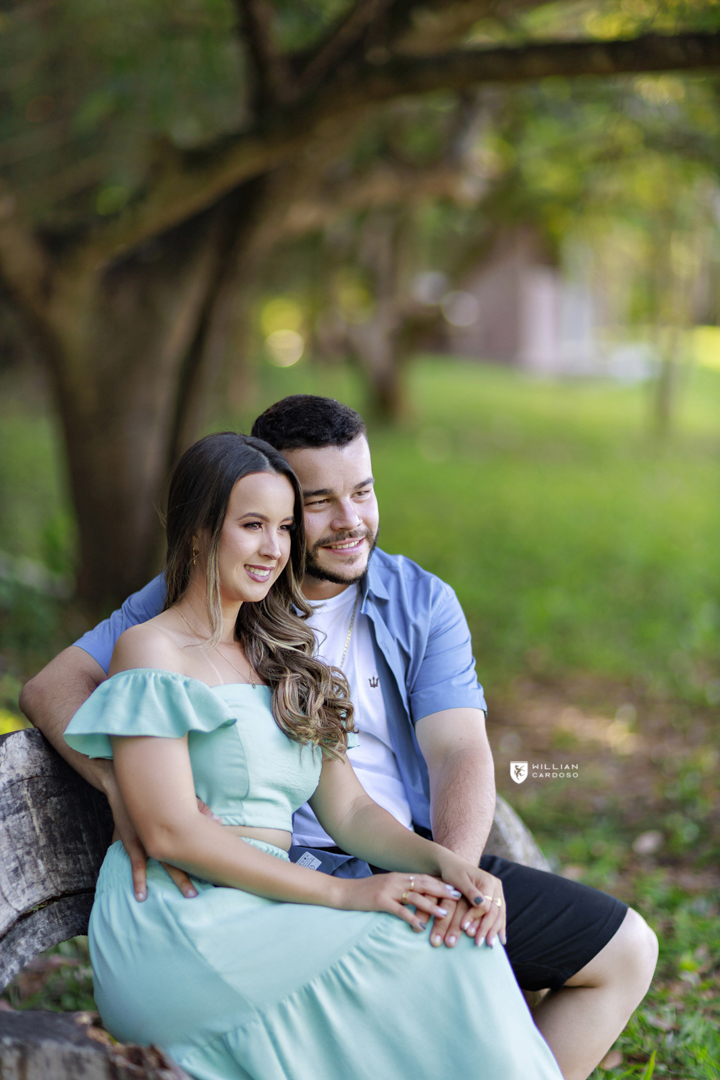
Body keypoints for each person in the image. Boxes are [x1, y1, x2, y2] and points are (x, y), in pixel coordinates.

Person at [21, 397, 658, 1080]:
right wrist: (122, 785)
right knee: (432, 959)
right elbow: (73, 710)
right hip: (213, 905)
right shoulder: (165, 628)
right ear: (206, 530)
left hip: (361, 865)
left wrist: (448, 867)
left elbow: (416, 773)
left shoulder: (300, 642)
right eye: (309, 506)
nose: (342, 523)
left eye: (359, 492)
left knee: (541, 948)